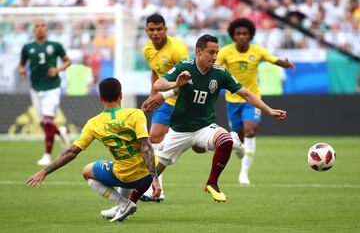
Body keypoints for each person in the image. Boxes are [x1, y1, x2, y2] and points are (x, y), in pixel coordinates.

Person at [153, 34, 287, 202]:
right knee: (152, 173)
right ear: (198, 52)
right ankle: (125, 204)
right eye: (211, 52)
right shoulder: (185, 67)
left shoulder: (221, 73)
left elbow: (245, 93)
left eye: (217, 52)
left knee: (224, 140)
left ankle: (212, 182)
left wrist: (269, 110)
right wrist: (175, 84)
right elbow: (157, 84)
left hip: (204, 127)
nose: (215, 57)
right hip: (180, 129)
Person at [26, 78, 161, 222]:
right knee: (129, 162)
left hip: (126, 177)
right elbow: (145, 146)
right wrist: (156, 178)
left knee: (87, 171)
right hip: (147, 175)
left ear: (100, 98)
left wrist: (44, 171)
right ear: (121, 95)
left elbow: (71, 152)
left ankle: (123, 203)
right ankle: (123, 207)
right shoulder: (136, 114)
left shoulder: (93, 123)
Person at [216, 18, 296, 185]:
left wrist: (286, 64)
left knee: (250, 130)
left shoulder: (257, 51)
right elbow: (212, 67)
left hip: (252, 99)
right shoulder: (225, 52)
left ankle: (244, 174)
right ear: (233, 35)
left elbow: (274, 60)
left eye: (245, 33)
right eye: (238, 33)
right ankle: (241, 152)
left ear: (250, 35)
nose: (241, 36)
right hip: (232, 100)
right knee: (238, 139)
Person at [139, 13, 189, 202]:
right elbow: (155, 73)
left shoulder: (177, 49)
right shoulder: (147, 50)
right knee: (154, 138)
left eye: (159, 29)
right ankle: (156, 190)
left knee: (200, 148)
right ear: (146, 31)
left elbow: (188, 80)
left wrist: (162, 95)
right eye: (151, 29)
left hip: (185, 100)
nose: (155, 33)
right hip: (166, 102)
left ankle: (231, 140)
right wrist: (153, 95)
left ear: (166, 30)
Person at [18, 19, 72, 166]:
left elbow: (68, 61)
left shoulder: (55, 46)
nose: (40, 28)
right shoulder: (27, 48)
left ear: (46, 29)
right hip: (35, 88)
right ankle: (60, 131)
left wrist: (58, 69)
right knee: (43, 123)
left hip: (52, 87)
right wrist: (22, 70)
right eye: (37, 26)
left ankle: (47, 156)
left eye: (43, 26)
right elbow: (22, 64)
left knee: (48, 120)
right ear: (33, 29)